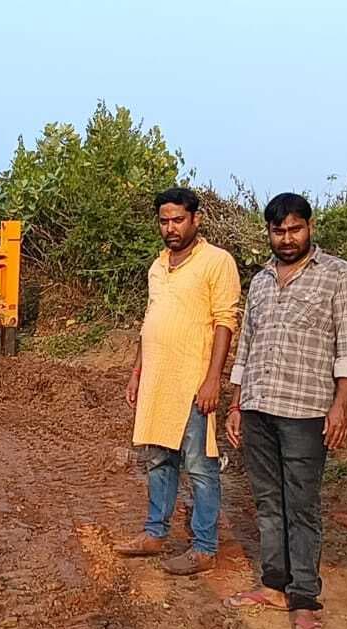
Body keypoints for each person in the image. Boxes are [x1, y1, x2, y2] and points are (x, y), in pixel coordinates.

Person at [222, 192, 347, 629]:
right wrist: (236, 403)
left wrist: (340, 404)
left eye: (295, 229)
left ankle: (305, 600)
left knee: (301, 507)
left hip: (307, 410)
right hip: (260, 407)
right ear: (269, 233)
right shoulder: (262, 279)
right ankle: (273, 585)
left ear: (310, 227)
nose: (287, 239)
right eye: (278, 231)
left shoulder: (337, 275)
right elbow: (247, 344)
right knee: (267, 503)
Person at [116, 187, 241, 576]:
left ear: (195, 219)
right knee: (158, 459)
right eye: (164, 220)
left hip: (192, 381)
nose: (170, 228)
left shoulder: (216, 262)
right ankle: (155, 533)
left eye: (178, 220)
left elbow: (225, 322)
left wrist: (212, 380)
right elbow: (148, 322)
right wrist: (138, 372)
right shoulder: (158, 266)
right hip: (157, 381)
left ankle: (204, 546)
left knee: (200, 465)